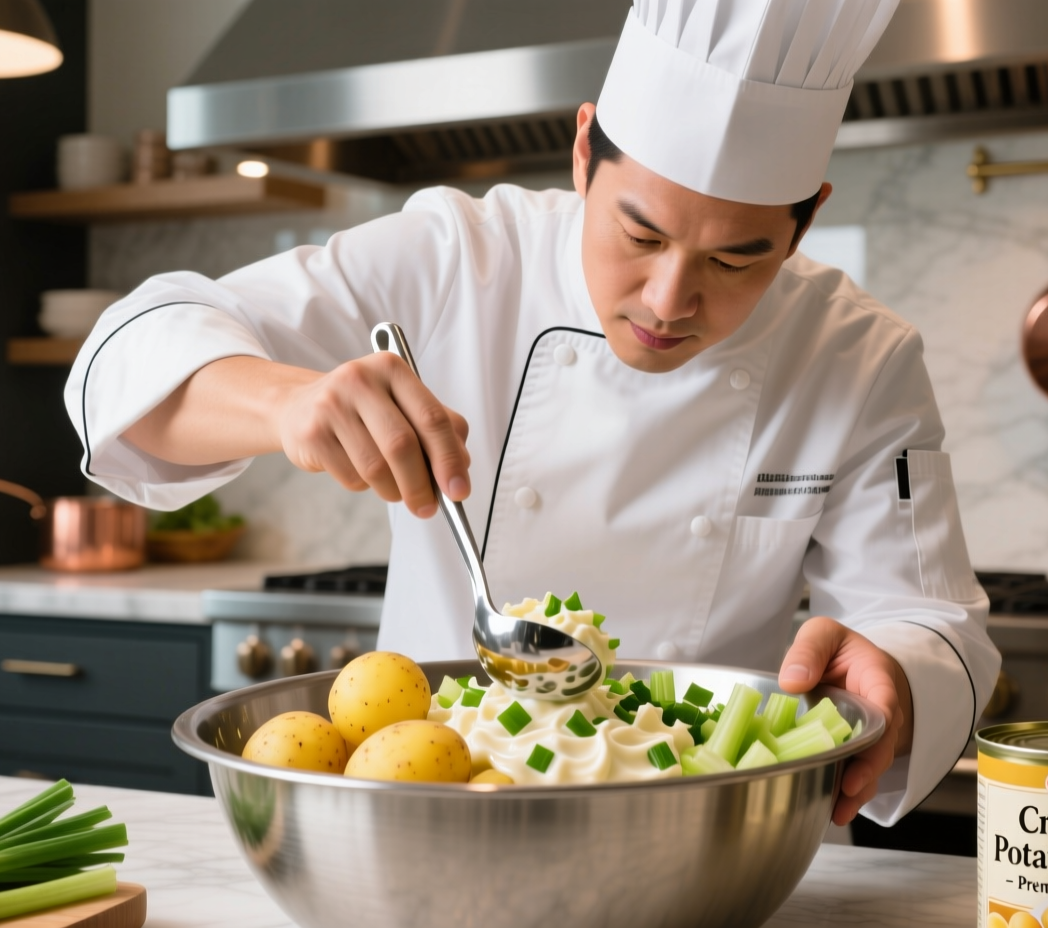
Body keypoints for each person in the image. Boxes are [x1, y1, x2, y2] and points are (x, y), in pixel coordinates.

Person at [67, 0, 999, 827]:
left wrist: (894, 672)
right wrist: (286, 400)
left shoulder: (859, 355)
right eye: (641, 234)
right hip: (430, 819)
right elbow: (125, 361)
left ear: (807, 219)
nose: (669, 300)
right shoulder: (455, 258)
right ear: (583, 151)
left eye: (735, 260)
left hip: (703, 835)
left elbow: (926, 617)